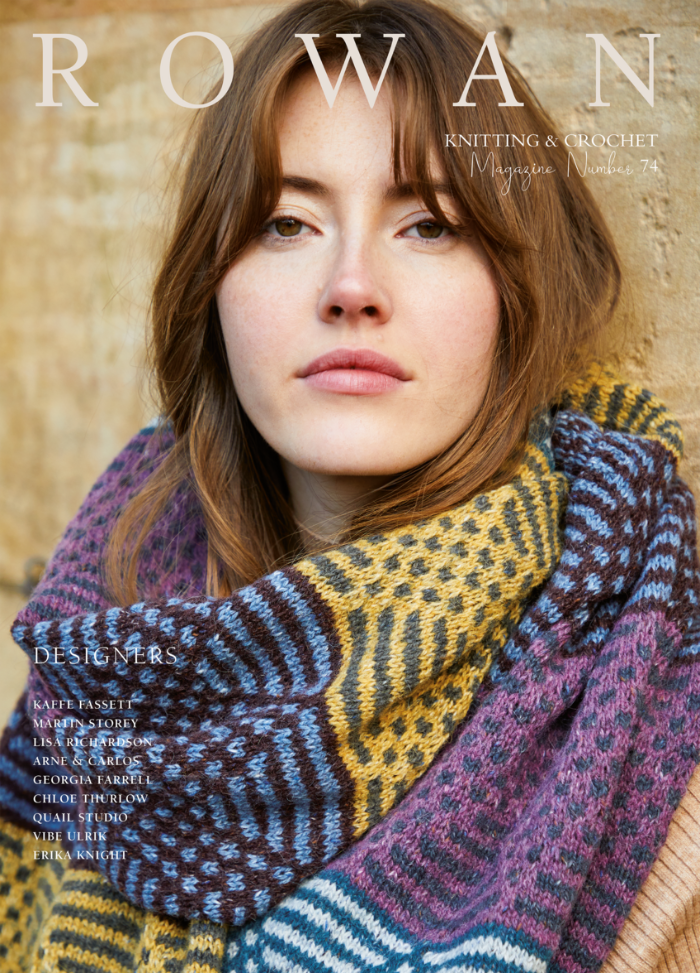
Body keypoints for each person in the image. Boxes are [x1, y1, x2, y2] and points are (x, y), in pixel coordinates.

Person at [1, 0, 698, 970]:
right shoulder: (95, 662)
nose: (351, 284)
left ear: (514, 289)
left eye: (428, 224)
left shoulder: (641, 733)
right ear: (212, 287)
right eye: (285, 222)